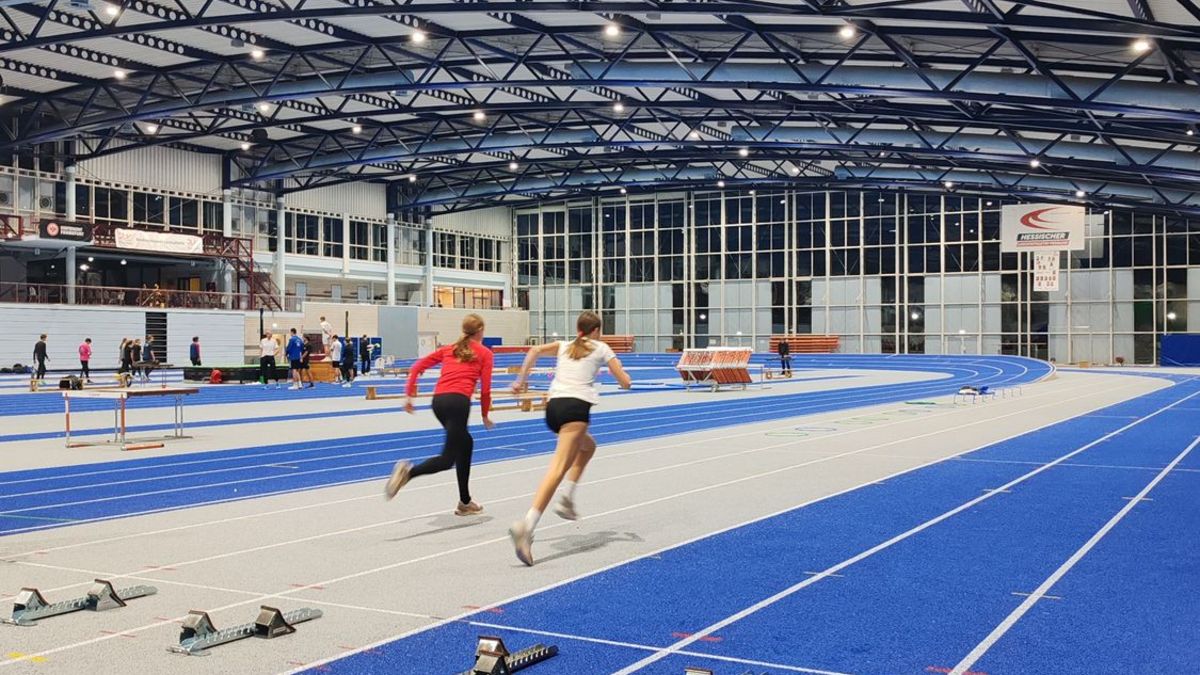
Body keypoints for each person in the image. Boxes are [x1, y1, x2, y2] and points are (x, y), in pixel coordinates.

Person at [508, 311, 632, 566]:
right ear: (596, 331)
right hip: (575, 410)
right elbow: (625, 382)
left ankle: (567, 498)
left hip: (553, 408)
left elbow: (533, 351)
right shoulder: (602, 348)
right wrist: (623, 375)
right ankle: (526, 527)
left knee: (588, 447)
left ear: (578, 329)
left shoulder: (564, 346)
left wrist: (521, 380)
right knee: (557, 470)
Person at [384, 314, 495, 516]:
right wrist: (485, 415)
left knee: (466, 443)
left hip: (438, 402)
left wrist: (409, 396)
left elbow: (417, 367)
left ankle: (465, 502)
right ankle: (408, 473)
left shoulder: (449, 349)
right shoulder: (485, 353)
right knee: (447, 459)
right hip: (458, 403)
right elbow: (486, 390)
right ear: (480, 331)